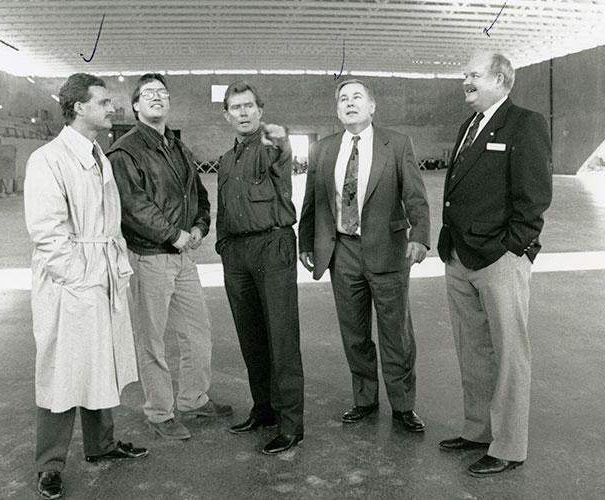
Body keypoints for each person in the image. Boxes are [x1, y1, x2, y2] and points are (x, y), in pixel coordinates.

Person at [24, 73, 147, 500]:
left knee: (101, 361)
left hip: (101, 269)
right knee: (62, 369)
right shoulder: (48, 158)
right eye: (103, 101)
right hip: (70, 279)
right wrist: (76, 276)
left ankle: (102, 444)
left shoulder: (100, 155)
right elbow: (47, 232)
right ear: (78, 107)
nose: (111, 107)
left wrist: (105, 268)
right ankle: (50, 465)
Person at [436, 52, 552, 477]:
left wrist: (514, 247)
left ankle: (509, 446)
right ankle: (478, 430)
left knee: (508, 355)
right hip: (460, 254)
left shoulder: (525, 122)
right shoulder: (471, 125)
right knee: (474, 350)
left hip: (499, 258)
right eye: (465, 75)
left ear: (501, 78)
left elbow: (534, 195)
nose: (465, 81)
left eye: (474, 75)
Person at [298, 79, 430, 433]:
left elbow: (415, 195)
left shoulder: (397, 144)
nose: (350, 103)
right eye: (343, 98)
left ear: (372, 106)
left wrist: (420, 236)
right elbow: (312, 201)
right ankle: (365, 400)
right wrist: (306, 243)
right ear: (337, 109)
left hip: (389, 251)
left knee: (396, 333)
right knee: (354, 334)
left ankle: (403, 406)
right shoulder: (323, 150)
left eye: (358, 97)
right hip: (342, 252)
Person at [107, 73, 232, 441]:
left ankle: (193, 399)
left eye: (163, 93)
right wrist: (171, 234)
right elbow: (133, 207)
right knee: (153, 340)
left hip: (182, 256)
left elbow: (199, 193)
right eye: (149, 94)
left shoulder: (177, 148)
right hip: (150, 257)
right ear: (135, 105)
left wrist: (198, 226)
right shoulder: (126, 151)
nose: (158, 98)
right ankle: (160, 412)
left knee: (197, 331)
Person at [216, 81, 304, 455]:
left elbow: (282, 150)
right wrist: (223, 247)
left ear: (260, 110)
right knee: (251, 337)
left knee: (281, 338)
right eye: (236, 107)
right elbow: (222, 205)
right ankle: (264, 409)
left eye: (250, 106)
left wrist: (281, 139)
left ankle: (290, 424)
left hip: (272, 246)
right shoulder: (225, 159)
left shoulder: (270, 148)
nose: (244, 112)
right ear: (227, 115)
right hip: (236, 252)